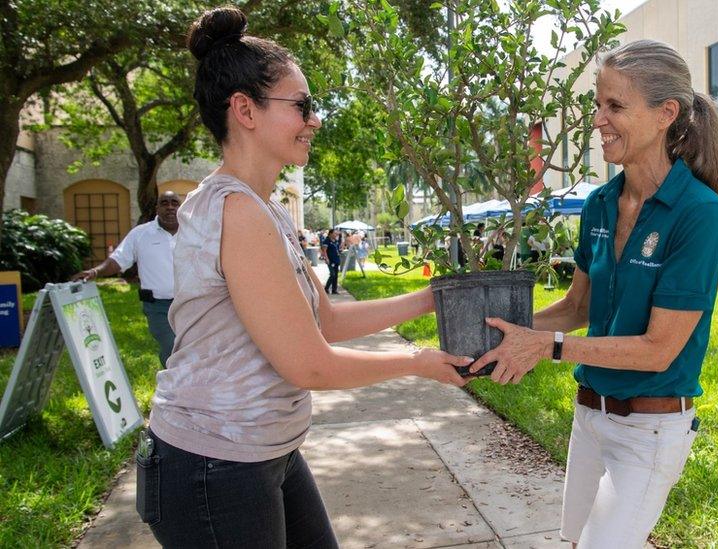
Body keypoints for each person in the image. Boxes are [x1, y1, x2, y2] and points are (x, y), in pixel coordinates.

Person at [137, 8, 471, 547]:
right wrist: (418, 364)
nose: (314, 120)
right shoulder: (236, 212)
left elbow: (327, 320)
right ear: (244, 109)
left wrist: (431, 299)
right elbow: (309, 363)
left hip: (265, 450)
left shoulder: (264, 208)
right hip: (212, 462)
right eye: (302, 106)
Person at [469, 40, 718, 548]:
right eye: (597, 105)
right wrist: (498, 330)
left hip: (649, 431)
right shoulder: (600, 203)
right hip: (589, 418)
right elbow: (577, 308)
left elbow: (659, 350)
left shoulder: (698, 214)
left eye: (614, 106)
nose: (597, 120)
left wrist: (547, 347)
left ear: (666, 115)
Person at [71, 191, 182, 368]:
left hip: (191, 303)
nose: (170, 207)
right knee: (172, 347)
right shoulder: (140, 234)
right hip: (158, 306)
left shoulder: (194, 232)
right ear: (157, 208)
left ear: (181, 207)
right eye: (164, 203)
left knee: (194, 349)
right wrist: (95, 271)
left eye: (174, 203)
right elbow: (117, 260)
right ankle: (175, 387)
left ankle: (189, 387)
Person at [324, 229, 341, 294]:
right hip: (330, 261)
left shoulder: (335, 241)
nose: (336, 235)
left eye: (336, 234)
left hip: (336, 260)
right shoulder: (327, 240)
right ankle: (326, 288)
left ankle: (334, 290)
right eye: (335, 233)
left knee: (336, 275)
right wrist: (326, 259)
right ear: (330, 233)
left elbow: (337, 249)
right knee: (332, 274)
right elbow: (324, 251)